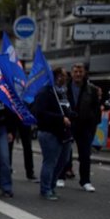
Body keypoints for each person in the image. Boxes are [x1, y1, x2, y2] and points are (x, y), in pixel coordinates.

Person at [33, 67, 73, 200]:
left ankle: (52, 186)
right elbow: (41, 113)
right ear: (55, 77)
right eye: (62, 75)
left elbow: (66, 109)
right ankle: (45, 189)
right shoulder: (45, 92)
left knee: (63, 161)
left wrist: (72, 116)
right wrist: (60, 118)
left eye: (65, 75)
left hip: (64, 133)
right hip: (49, 132)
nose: (65, 78)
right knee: (50, 161)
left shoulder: (62, 93)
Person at [65, 63, 101, 192]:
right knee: (65, 151)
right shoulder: (65, 88)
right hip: (68, 123)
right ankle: (61, 176)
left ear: (84, 73)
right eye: (76, 71)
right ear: (72, 73)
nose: (78, 74)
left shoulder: (91, 89)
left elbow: (97, 110)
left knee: (85, 154)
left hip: (85, 125)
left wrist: (93, 126)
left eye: (80, 72)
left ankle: (85, 181)